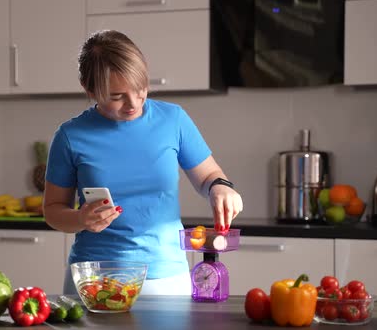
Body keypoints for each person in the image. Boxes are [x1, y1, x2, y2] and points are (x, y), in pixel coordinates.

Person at [43, 30, 243, 295]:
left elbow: (208, 176)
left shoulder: (173, 120)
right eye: (117, 96)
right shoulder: (70, 136)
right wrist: (81, 218)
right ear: (89, 89)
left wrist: (220, 187)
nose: (133, 104)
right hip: (95, 279)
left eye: (140, 89)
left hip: (166, 277)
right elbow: (53, 210)